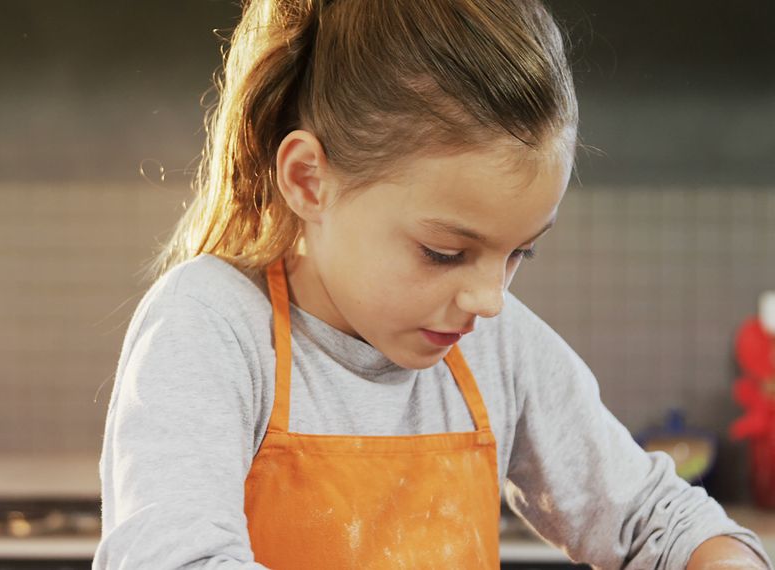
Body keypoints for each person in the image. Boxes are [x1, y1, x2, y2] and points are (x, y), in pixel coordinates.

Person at [94, 0, 772, 568]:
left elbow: (663, 521)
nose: (490, 299)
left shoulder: (495, 350)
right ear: (309, 181)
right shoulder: (213, 326)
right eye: (445, 252)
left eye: (519, 255)